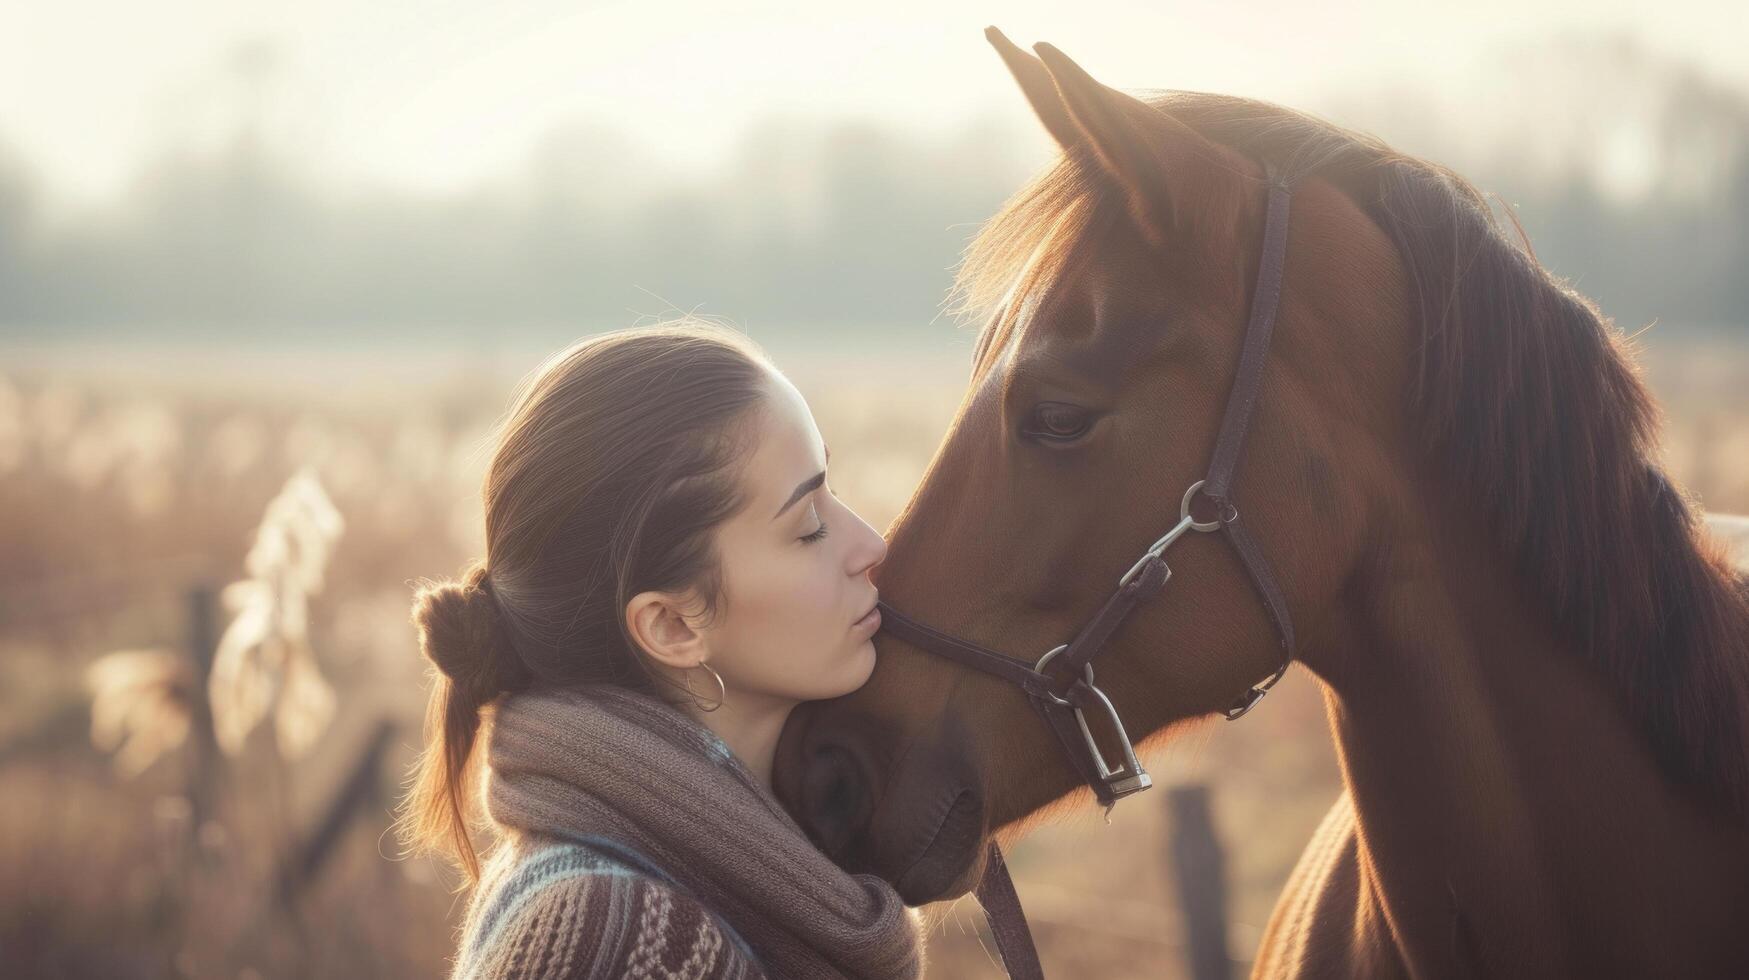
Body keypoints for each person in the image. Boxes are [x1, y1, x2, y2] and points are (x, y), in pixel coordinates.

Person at [395, 321, 922, 979]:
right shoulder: (614, 944)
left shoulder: (648, 885)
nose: (872, 545)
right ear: (673, 626)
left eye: (831, 492)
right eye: (809, 527)